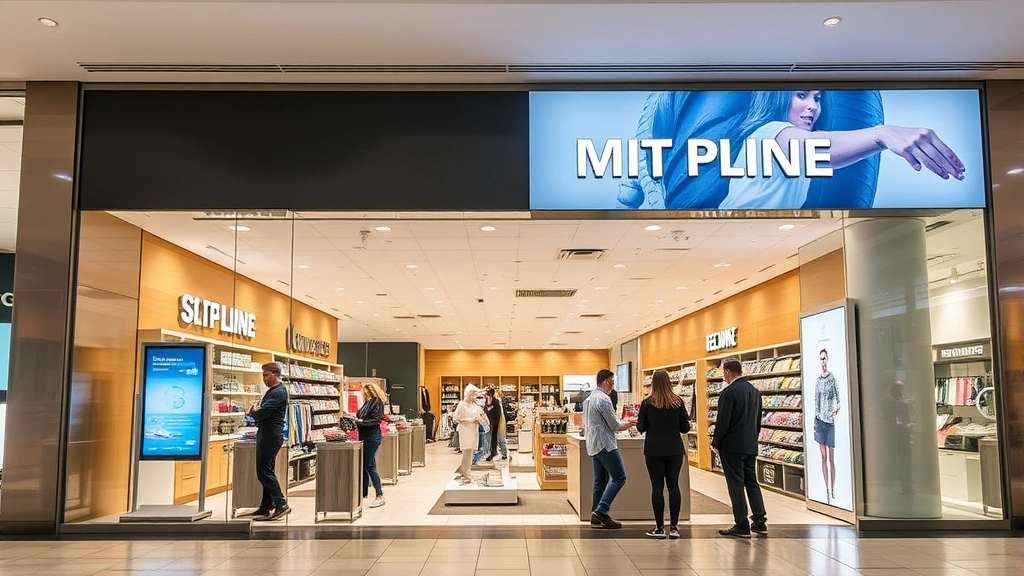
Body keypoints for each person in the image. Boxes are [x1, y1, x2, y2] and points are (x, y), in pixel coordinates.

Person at [720, 89, 966, 210]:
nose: (812, 107)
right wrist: (883, 133)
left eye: (817, 98)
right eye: (802, 95)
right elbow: (817, 149)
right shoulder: (770, 132)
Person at [711, 357, 767, 538]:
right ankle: (759, 521)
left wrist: (716, 442)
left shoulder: (729, 393)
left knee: (735, 484)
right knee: (752, 482)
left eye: (722, 372)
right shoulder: (754, 392)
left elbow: (723, 422)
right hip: (750, 444)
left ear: (727, 371)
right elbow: (758, 421)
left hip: (732, 446)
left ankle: (741, 524)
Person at [636, 369, 691, 539]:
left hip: (653, 450)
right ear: (669, 382)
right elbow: (685, 428)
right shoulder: (678, 402)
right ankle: (674, 527)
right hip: (675, 449)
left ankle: (659, 528)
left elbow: (641, 427)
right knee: (674, 486)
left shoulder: (647, 403)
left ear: (653, 383)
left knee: (657, 487)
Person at [583, 368, 635, 529]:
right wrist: (629, 424)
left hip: (593, 444)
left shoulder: (589, 398)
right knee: (619, 477)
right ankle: (602, 511)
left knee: (600, 480)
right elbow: (614, 425)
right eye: (612, 380)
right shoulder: (603, 399)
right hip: (606, 444)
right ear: (606, 381)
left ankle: (595, 514)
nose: (613, 383)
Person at [247, 362, 290, 521]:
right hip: (267, 432)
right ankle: (266, 506)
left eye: (265, 375)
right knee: (266, 470)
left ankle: (281, 503)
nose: (264, 378)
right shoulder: (274, 391)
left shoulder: (278, 392)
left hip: (270, 433)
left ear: (274, 373)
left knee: (264, 471)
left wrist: (254, 413)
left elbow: (264, 412)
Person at [354, 382, 388, 509]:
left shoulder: (376, 402)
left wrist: (361, 422)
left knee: (369, 464)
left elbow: (376, 420)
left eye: (365, 391)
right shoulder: (367, 403)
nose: (363, 393)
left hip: (372, 437)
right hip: (365, 437)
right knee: (368, 464)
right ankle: (364, 494)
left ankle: (379, 494)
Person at [814, 348, 841, 504]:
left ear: (828, 359)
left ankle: (833, 488)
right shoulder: (818, 380)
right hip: (819, 421)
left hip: (830, 422)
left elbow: (839, 398)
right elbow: (815, 402)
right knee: (823, 456)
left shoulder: (832, 379)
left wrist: (835, 409)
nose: (823, 361)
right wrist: (814, 422)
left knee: (831, 457)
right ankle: (826, 488)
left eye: (824, 358)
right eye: (821, 359)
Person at [453, 384, 487, 484]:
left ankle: (467, 472)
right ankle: (465, 473)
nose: (475, 396)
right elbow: (456, 418)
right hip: (466, 430)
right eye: (473, 394)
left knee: (471, 452)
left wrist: (480, 419)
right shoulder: (462, 405)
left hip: (473, 430)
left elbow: (480, 414)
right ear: (468, 394)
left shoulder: (474, 405)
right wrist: (471, 420)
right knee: (467, 451)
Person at [484, 387, 503, 462]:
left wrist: (494, 422)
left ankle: (493, 452)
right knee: (488, 438)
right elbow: (485, 409)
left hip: (494, 423)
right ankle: (490, 452)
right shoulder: (486, 400)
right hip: (488, 422)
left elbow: (498, 413)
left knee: (493, 438)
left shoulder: (495, 401)